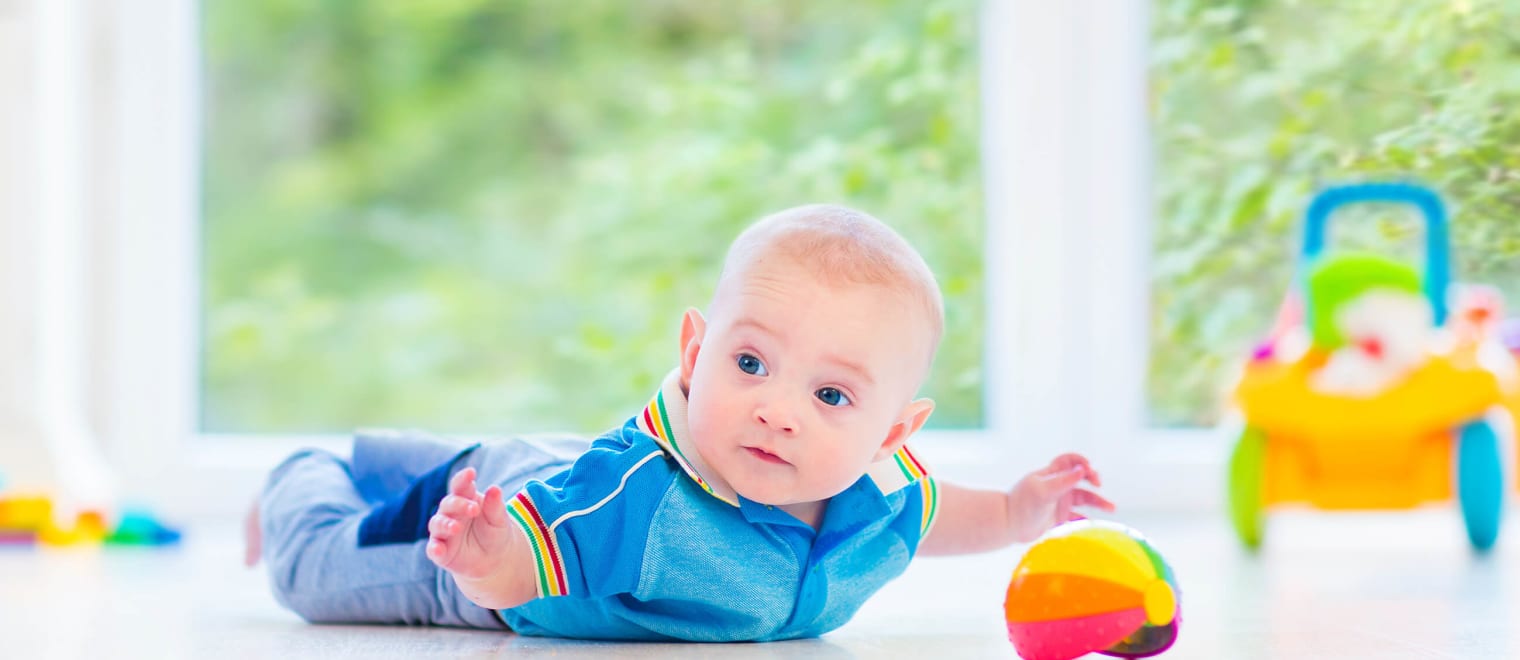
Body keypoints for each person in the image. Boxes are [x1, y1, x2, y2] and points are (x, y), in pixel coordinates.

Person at [245, 204, 1113, 641]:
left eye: (831, 397)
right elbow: (514, 575)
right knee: (316, 571)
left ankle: (394, 460)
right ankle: (301, 476)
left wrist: (1019, 511)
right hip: (514, 540)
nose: (778, 411)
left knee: (506, 460)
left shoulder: (881, 487)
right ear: (695, 354)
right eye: (750, 365)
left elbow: (940, 518)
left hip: (573, 478)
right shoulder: (646, 498)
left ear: (892, 434)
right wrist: (481, 559)